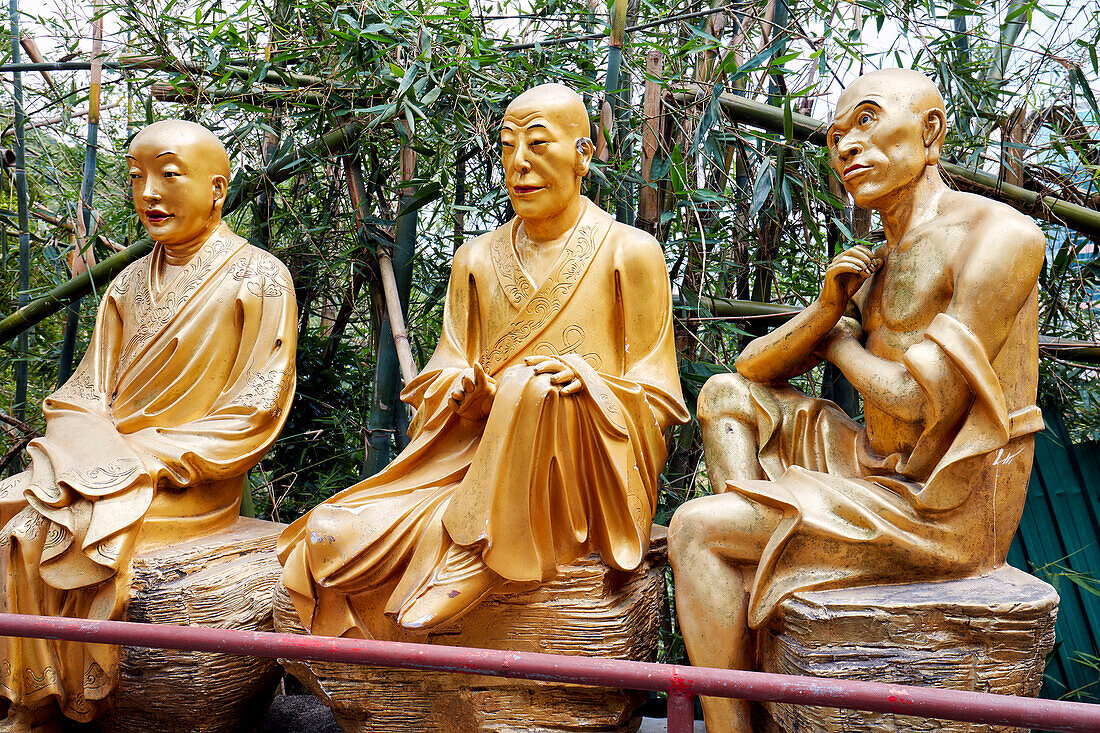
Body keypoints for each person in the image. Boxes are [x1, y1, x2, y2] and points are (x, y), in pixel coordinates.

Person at [668, 68, 1045, 731]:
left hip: (944, 503)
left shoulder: (1001, 236)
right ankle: (759, 552)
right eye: (837, 135)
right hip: (875, 464)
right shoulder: (880, 258)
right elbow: (748, 367)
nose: (845, 146)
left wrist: (839, 345)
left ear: (930, 133)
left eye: (867, 121)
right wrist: (826, 309)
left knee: (695, 528)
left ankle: (733, 717)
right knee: (729, 394)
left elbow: (914, 400)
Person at [278, 83, 689, 637]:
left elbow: (659, 394)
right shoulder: (475, 260)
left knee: (534, 386)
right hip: (474, 457)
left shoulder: (630, 252)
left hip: (582, 473)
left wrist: (587, 385)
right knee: (329, 534)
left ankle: (477, 551)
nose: (519, 164)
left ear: (583, 155)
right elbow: (443, 372)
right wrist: (465, 392)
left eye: (539, 145)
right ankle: (468, 532)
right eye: (506, 146)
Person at [0, 120, 296, 726]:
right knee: (8, 504)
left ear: (217, 188)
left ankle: (54, 702)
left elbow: (257, 404)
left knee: (41, 531)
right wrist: (89, 442)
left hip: (190, 477)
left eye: (168, 174)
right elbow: (83, 392)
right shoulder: (129, 282)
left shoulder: (260, 278)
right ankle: (28, 688)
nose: (149, 194)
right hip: (104, 459)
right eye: (136, 178)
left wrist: (154, 456)